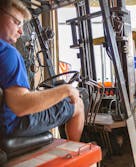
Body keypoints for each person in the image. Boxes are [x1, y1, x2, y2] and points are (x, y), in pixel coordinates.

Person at [0, 0, 84, 142]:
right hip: (13, 124)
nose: (21, 31)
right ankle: (75, 156)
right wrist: (66, 89)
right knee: (77, 104)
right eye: (16, 22)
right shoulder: (7, 52)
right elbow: (20, 105)